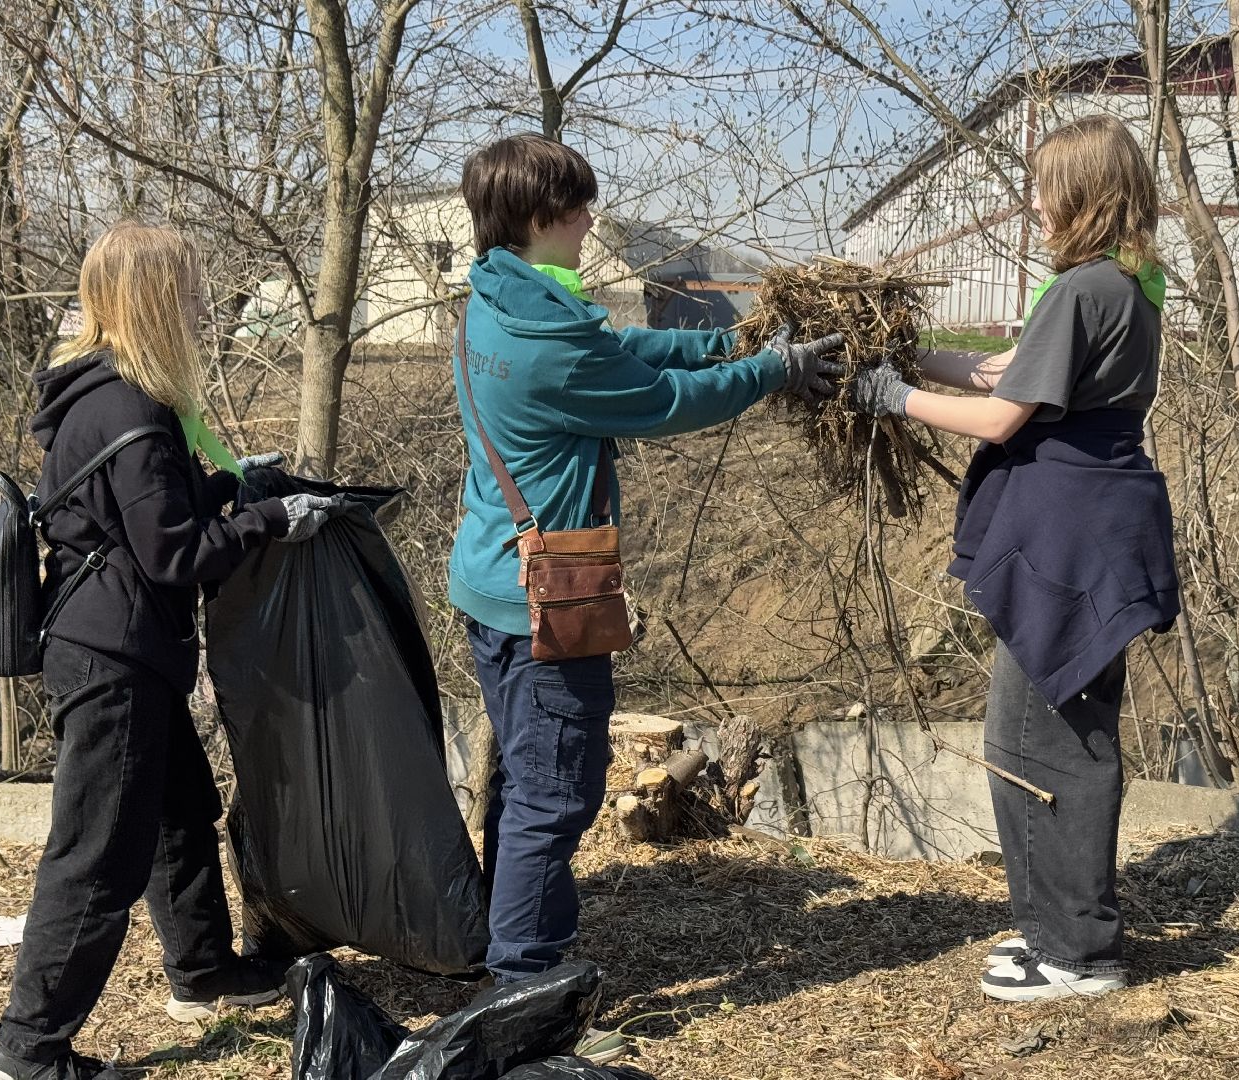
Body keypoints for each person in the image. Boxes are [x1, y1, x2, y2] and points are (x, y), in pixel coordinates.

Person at [450, 135, 841, 1013]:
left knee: (522, 778)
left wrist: (722, 344)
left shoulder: (496, 300)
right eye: (580, 206)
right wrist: (771, 370)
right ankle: (523, 987)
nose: (592, 220)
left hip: (489, 575)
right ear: (542, 217)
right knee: (557, 795)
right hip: (548, 600)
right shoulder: (548, 346)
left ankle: (500, 941)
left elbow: (618, 352)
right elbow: (661, 403)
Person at [0, 220, 344, 1080]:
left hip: (115, 645)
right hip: (114, 662)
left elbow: (134, 513)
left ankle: (202, 967)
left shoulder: (98, 390)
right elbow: (174, 552)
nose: (198, 304)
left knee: (181, 810)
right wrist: (269, 518)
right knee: (97, 856)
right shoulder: (133, 410)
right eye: (184, 290)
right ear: (150, 300)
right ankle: (25, 1054)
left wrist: (230, 481)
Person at [848, 114, 1179, 1002]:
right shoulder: (1127, 283)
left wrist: (895, 396)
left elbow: (1000, 418)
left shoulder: (1084, 290)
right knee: (1039, 733)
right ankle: (1055, 931)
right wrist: (895, 352)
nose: (1032, 204)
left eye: (1043, 188)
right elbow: (1006, 374)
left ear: (1082, 192)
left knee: (1047, 741)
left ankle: (1078, 951)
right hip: (1097, 522)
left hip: (1071, 534)